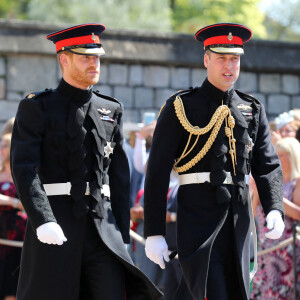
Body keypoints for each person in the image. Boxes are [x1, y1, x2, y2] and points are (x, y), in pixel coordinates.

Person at [10, 23, 162, 300]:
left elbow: (118, 173)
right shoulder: (37, 107)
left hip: (102, 226)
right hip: (57, 223)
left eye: (97, 57)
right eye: (85, 57)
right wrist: (43, 219)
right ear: (64, 59)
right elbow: (24, 169)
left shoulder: (110, 108)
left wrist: (122, 230)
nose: (94, 63)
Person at [143, 23, 285, 300]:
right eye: (221, 58)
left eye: (235, 59)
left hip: (239, 219)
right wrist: (154, 232)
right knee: (208, 290)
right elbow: (158, 172)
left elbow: (267, 165)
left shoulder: (252, 108)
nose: (229, 65)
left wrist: (274, 207)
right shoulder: (180, 106)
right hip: (198, 216)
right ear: (206, 60)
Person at [251, 137, 300, 299]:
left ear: (293, 155)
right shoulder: (267, 182)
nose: (278, 157)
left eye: (283, 154)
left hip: (288, 251)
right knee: (262, 291)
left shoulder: (296, 183)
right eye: (276, 153)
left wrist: (275, 197)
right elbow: (251, 212)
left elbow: (298, 214)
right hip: (266, 249)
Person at [0, 133, 26, 300]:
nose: (0, 149)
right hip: (0, 238)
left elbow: (33, 204)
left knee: (11, 288)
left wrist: (8, 201)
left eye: (3, 146)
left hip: (16, 240)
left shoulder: (22, 174)